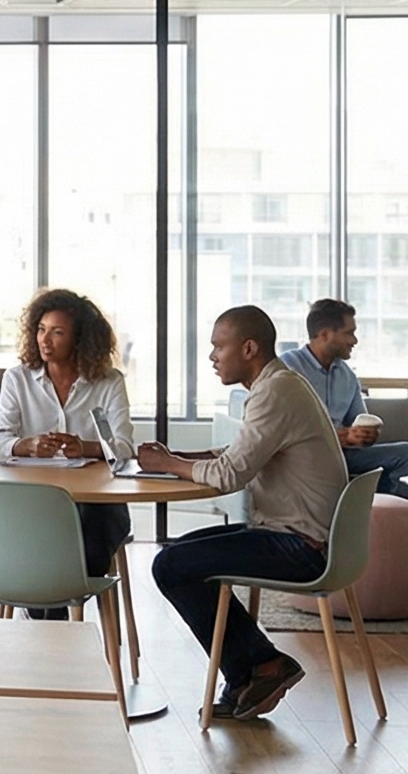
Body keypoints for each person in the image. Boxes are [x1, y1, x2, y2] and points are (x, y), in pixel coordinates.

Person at [138, 306, 350, 720]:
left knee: (171, 565)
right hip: (298, 535)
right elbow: (240, 453)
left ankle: (262, 665)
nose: (213, 357)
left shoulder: (275, 391)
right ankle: (252, 672)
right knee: (181, 551)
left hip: (302, 546)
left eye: (219, 346)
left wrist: (169, 466)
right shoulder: (278, 385)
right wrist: (179, 457)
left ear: (249, 348)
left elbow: (230, 474)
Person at [0, 288, 135, 610]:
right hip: (35, 500)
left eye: (57, 332)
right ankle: (52, 624)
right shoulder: (18, 379)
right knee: (41, 538)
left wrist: (84, 448)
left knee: (87, 539)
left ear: (80, 339)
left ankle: (52, 616)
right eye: (41, 330)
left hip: (98, 504)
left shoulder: (108, 382)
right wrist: (26, 446)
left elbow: (124, 448)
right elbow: (0, 443)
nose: (45, 340)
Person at [277, 298, 408, 501]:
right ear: (325, 335)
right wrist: (332, 437)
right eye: (349, 333)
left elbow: (357, 422)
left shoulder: (348, 376)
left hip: (343, 455)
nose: (354, 341)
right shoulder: (287, 368)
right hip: (305, 455)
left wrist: (364, 436)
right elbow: (280, 428)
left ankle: (377, 518)